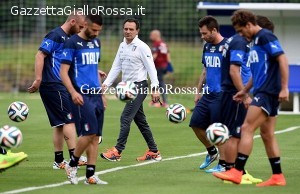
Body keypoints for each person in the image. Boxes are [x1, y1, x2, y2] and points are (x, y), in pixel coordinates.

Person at [213, 9, 289, 187]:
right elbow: (256, 71)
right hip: (261, 90)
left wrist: (284, 87)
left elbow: (283, 60)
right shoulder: (254, 41)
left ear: (249, 24)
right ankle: (278, 176)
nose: (240, 35)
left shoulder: (265, 37)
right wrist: (245, 90)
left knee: (246, 127)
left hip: (268, 92)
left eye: (241, 31)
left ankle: (237, 171)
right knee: (267, 134)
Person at [27, 11, 87, 169]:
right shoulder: (55, 35)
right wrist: (38, 79)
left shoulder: (69, 39)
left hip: (60, 85)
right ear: (72, 21)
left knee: (59, 123)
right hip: (53, 84)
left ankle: (59, 160)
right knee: (69, 120)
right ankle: (75, 157)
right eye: (80, 26)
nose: (81, 30)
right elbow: (40, 55)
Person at [101, 18, 162, 162]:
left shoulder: (142, 47)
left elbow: (151, 68)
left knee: (125, 117)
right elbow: (116, 66)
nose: (128, 31)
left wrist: (155, 88)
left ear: (137, 31)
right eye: (126, 29)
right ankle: (154, 151)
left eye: (131, 29)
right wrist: (106, 85)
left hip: (139, 87)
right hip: (127, 89)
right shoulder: (122, 45)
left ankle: (117, 151)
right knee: (140, 121)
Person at [60, 14, 107, 185]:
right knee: (89, 132)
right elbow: (63, 72)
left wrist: (102, 94)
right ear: (85, 25)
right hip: (81, 94)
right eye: (94, 29)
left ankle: (90, 176)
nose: (96, 33)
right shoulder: (71, 43)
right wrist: (72, 92)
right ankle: (72, 164)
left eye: (99, 31)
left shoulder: (97, 42)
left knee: (96, 137)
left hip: (96, 94)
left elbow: (94, 69)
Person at [189, 16, 226, 172]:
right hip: (208, 95)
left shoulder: (228, 47)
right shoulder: (207, 47)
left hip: (222, 95)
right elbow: (205, 71)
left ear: (214, 30)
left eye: (205, 33)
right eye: (201, 34)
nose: (202, 37)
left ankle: (224, 165)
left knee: (217, 129)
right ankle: (212, 152)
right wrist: (198, 92)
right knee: (195, 123)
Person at [149, 29, 171, 108]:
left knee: (158, 83)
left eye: (151, 35)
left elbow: (154, 55)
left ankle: (163, 101)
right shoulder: (163, 44)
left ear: (156, 35)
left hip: (158, 66)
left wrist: (148, 64)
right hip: (164, 66)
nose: (150, 36)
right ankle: (156, 100)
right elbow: (168, 55)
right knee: (159, 82)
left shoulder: (156, 44)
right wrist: (169, 66)